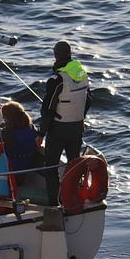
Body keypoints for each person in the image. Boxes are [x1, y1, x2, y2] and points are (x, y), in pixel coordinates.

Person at [40, 40, 91, 205]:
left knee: (51, 167)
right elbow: (88, 100)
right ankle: (74, 199)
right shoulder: (82, 75)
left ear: (55, 56)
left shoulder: (57, 80)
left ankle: (55, 203)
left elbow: (47, 110)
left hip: (58, 130)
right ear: (70, 54)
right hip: (77, 128)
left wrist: (41, 134)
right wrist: (78, 116)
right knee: (74, 165)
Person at [0, 101, 41, 173]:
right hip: (27, 168)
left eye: (4, 116)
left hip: (10, 171)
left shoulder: (6, 133)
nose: (2, 118)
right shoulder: (32, 128)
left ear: (8, 118)